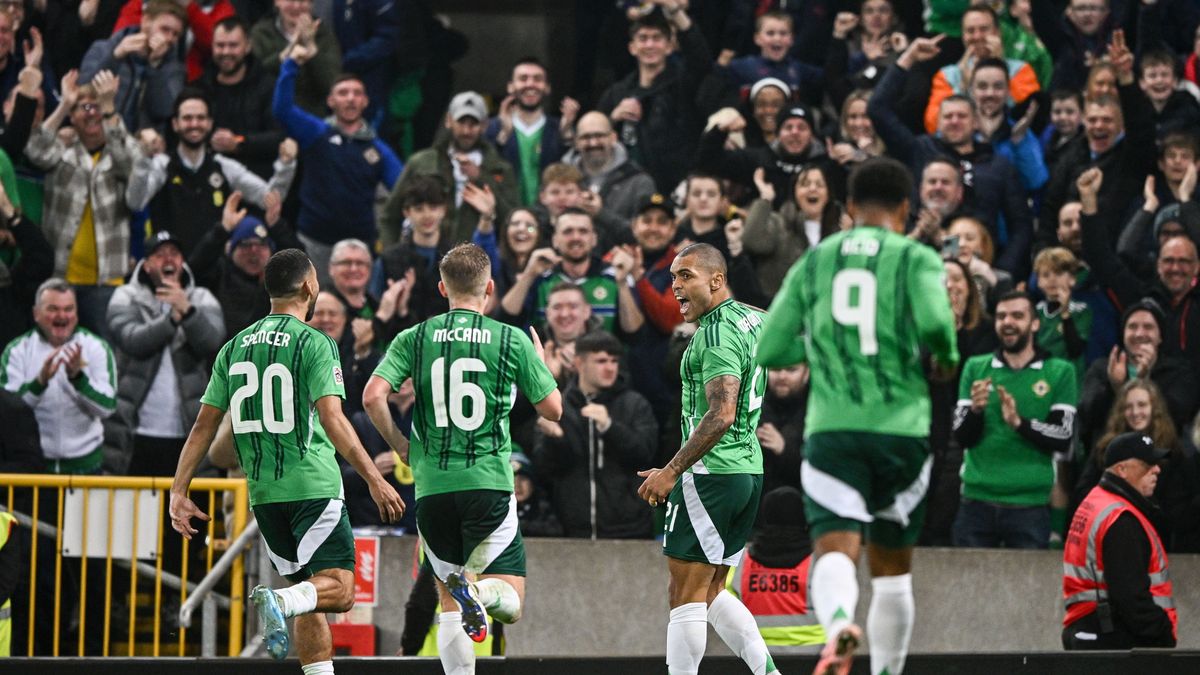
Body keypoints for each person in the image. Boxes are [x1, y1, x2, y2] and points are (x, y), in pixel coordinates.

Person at [756, 157, 959, 675]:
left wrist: (824, 349)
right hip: (902, 431)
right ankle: (887, 671)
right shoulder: (915, 256)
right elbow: (938, 326)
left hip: (832, 431)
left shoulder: (817, 258)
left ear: (847, 208)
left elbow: (771, 347)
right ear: (905, 207)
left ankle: (842, 620)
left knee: (834, 553)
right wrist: (947, 358)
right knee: (892, 574)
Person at [169, 248, 405, 672]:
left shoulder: (234, 346)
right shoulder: (315, 342)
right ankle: (277, 599)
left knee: (310, 599)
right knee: (341, 590)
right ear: (309, 286)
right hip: (312, 487)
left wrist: (178, 489)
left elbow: (203, 426)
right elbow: (333, 419)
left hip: (264, 496)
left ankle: (294, 623)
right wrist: (374, 477)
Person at [362, 243, 562, 675]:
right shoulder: (509, 339)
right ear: (489, 288)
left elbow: (373, 395)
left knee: (448, 604)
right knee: (509, 601)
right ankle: (482, 594)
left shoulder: (414, 338)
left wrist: (401, 446)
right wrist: (541, 364)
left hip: (432, 489)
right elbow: (553, 410)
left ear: (441, 288)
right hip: (489, 483)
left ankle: (468, 597)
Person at [636, 242, 780, 675]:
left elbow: (721, 413)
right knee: (713, 590)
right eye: (674, 276)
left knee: (685, 594)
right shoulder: (757, 318)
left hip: (711, 474)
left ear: (717, 280)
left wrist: (671, 471)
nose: (675, 286)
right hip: (747, 470)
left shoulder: (715, 333)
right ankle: (766, 671)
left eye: (686, 276)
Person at [952, 291, 1078, 549]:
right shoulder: (976, 368)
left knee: (1030, 590)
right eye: (1001, 316)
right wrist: (976, 410)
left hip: (1029, 507)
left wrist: (1020, 424)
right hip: (975, 503)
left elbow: (1063, 437)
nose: (1008, 322)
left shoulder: (1060, 371)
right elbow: (961, 436)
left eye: (1017, 316)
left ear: (1034, 324)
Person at [272, 31, 401, 281]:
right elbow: (282, 109)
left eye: (356, 94)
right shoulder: (316, 133)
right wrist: (291, 64)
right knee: (314, 308)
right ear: (331, 101)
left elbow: (403, 187)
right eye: (343, 93)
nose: (350, 99)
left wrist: (389, 236)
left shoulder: (378, 149)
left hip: (359, 245)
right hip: (314, 241)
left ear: (365, 101)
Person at [24, 69, 137, 335]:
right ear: (72, 118)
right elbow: (36, 150)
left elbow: (133, 166)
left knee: (105, 360)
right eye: (82, 107)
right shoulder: (61, 150)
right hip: (60, 280)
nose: (91, 113)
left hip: (108, 281)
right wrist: (64, 104)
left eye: (97, 106)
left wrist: (110, 109)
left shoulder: (120, 150)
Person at [126, 89, 295, 256]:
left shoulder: (224, 167)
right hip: (170, 270)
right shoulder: (161, 165)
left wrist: (286, 165)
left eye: (200, 118)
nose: (194, 124)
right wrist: (143, 157)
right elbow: (135, 202)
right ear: (175, 124)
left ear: (210, 123)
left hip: (216, 271)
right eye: (187, 118)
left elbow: (271, 199)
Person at [532, 330, 657, 539]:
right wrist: (555, 439)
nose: (610, 368)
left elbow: (646, 455)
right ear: (579, 363)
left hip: (629, 530)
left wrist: (610, 427)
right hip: (571, 531)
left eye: (614, 361)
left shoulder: (635, 404)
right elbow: (545, 469)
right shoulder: (559, 407)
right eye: (601, 361)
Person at [1062, 432, 1177, 650]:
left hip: (1089, 629)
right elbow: (1131, 599)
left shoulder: (1098, 501)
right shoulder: (1121, 520)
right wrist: (1163, 634)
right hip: (1111, 636)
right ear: (1121, 470)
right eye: (1147, 464)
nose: (1156, 469)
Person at [2, 278, 116, 475]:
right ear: (36, 314)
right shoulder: (16, 351)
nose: (62, 315)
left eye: (68, 309)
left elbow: (107, 407)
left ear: (77, 314)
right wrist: (40, 382)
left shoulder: (97, 348)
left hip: (87, 471)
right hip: (34, 472)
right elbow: (7, 414)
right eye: (53, 309)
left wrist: (78, 379)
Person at [384, 91, 518, 248]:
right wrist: (391, 258)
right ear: (448, 121)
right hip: (426, 259)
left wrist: (480, 178)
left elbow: (512, 220)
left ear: (484, 125)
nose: (466, 131)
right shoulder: (422, 162)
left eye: (473, 124)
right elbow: (390, 216)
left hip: (477, 261)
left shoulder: (500, 169)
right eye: (461, 122)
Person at [726, 486, 824, 651]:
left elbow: (724, 608)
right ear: (803, 516)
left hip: (757, 659)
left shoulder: (740, 561)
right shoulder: (818, 561)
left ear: (765, 516)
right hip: (813, 657)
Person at [79, 0, 187, 131]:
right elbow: (83, 93)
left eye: (176, 34)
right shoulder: (103, 48)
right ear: (146, 21)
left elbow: (163, 111)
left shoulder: (174, 67)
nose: (169, 38)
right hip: (99, 134)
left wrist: (155, 66)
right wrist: (115, 57)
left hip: (141, 145)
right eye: (165, 29)